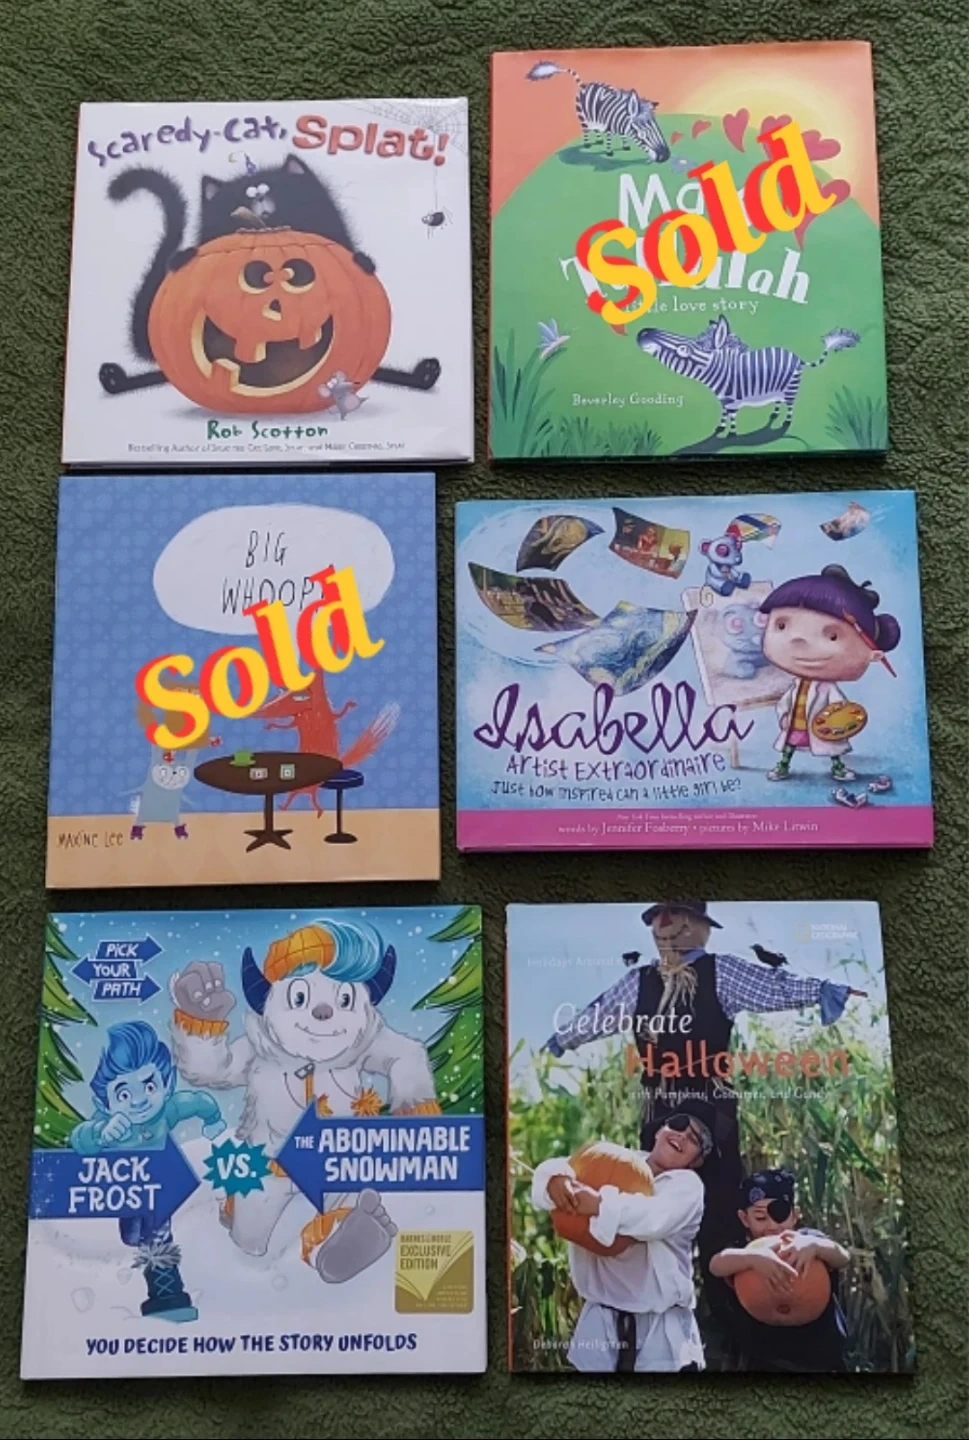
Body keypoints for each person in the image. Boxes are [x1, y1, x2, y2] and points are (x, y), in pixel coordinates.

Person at [542, 901, 865, 1348]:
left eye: (674, 917)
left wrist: (823, 990)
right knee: (653, 1218)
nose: (664, 926)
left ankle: (737, 1338)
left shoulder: (721, 973)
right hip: (662, 1119)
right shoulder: (639, 982)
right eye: (659, 919)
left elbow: (771, 985)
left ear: (699, 927)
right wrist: (562, 1039)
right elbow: (600, 1014)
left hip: (715, 1119)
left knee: (719, 1221)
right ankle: (655, 1328)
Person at [532, 1104, 716, 1373]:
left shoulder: (687, 1186)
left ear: (697, 1160)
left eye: (695, 1139)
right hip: (600, 1323)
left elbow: (653, 1219)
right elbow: (564, 1167)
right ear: (660, 1131)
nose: (682, 1136)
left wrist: (598, 1204)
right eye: (678, 1124)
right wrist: (554, 1178)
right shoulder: (617, 1160)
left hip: (659, 1334)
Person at [71, 1020, 225, 1322]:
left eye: (149, 1085)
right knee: (132, 1234)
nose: (140, 1099)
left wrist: (214, 1119)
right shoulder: (110, 1124)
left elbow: (197, 1102)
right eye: (124, 1094)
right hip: (126, 1188)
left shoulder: (166, 1111)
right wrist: (101, 1133)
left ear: (166, 1083)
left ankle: (166, 1292)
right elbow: (79, 1139)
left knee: (156, 1234)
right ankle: (154, 1268)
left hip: (159, 1190)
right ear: (105, 1102)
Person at [758, 564, 900, 785]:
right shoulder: (797, 684)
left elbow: (840, 708)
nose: (798, 640)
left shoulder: (827, 688)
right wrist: (784, 714)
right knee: (789, 744)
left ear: (871, 652)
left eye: (832, 636)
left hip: (823, 725)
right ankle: (783, 765)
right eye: (782, 625)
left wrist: (840, 723)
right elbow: (787, 700)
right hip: (796, 722)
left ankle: (838, 767)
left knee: (832, 747)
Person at [710, 1168, 851, 1371]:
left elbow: (843, 1257)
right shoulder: (744, 1251)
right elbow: (716, 1265)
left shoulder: (806, 1240)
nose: (772, 1226)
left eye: (780, 1215)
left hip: (819, 1362)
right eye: (760, 1218)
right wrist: (752, 1258)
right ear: (744, 1219)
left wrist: (815, 1246)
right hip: (761, 1362)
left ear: (795, 1215)